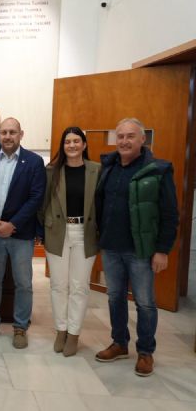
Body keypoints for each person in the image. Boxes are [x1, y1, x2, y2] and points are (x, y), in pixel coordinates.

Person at [94, 118, 178, 377]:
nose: (124, 141)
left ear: (143, 139)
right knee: (115, 297)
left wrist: (162, 249)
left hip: (141, 251)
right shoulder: (108, 167)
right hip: (111, 247)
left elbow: (170, 213)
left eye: (130, 136)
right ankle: (120, 343)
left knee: (145, 302)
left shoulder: (157, 170)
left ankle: (145, 352)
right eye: (120, 136)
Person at [0, 118, 46, 349]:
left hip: (20, 235)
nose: (8, 136)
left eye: (12, 132)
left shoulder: (34, 162)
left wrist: (13, 224)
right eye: (4, 132)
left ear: (21, 134)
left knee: (23, 283)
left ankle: (20, 327)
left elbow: (36, 197)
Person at [39, 127, 100, 356]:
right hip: (58, 232)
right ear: (63, 146)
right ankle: (61, 330)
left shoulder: (97, 170)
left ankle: (74, 334)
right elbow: (43, 204)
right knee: (58, 285)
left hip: (85, 232)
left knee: (79, 286)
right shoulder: (52, 171)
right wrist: (45, 227)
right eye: (67, 142)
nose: (72, 145)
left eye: (76, 141)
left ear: (84, 145)